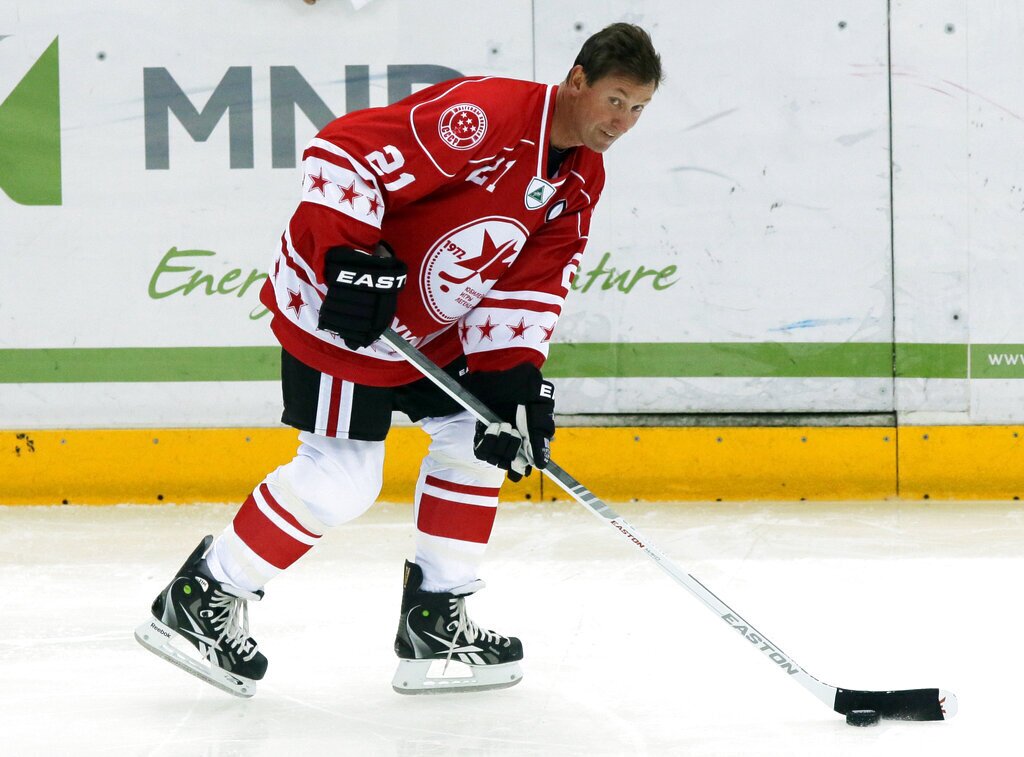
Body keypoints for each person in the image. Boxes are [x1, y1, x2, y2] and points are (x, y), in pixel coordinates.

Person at [135, 22, 662, 697]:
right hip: (343, 318)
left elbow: (531, 281)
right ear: (578, 81)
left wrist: (513, 379)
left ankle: (434, 619)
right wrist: (349, 257)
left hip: (428, 336)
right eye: (615, 100)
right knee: (340, 479)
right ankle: (201, 595)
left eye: (639, 109)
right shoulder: (488, 116)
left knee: (480, 438)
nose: (622, 122)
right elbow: (343, 154)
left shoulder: (581, 178)